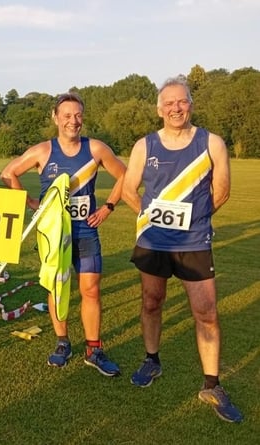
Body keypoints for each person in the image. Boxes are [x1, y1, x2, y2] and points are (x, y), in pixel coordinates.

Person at [122, 76, 243, 423]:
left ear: (191, 104)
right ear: (159, 109)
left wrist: (194, 223)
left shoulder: (212, 143)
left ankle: (212, 384)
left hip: (194, 243)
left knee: (206, 311)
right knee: (151, 301)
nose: (176, 108)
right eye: (169, 103)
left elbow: (221, 191)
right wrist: (153, 219)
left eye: (182, 101)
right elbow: (130, 190)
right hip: (153, 242)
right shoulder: (144, 145)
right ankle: (151, 360)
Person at [0, 92, 126, 377]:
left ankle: (93, 349)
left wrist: (108, 207)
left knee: (91, 289)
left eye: (78, 115)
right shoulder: (43, 151)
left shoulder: (95, 148)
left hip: (85, 231)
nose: (73, 121)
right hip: (54, 235)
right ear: (55, 118)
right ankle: (62, 343)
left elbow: (126, 176)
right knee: (58, 289)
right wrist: (31, 202)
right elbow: (9, 173)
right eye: (67, 115)